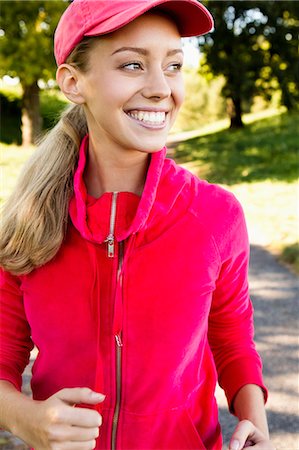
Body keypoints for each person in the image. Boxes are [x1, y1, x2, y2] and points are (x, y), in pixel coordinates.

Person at [0, 1, 275, 449]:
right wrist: (23, 419)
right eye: (132, 64)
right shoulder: (28, 220)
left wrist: (255, 424)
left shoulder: (216, 215)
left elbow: (234, 344)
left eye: (173, 65)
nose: (160, 88)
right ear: (73, 82)